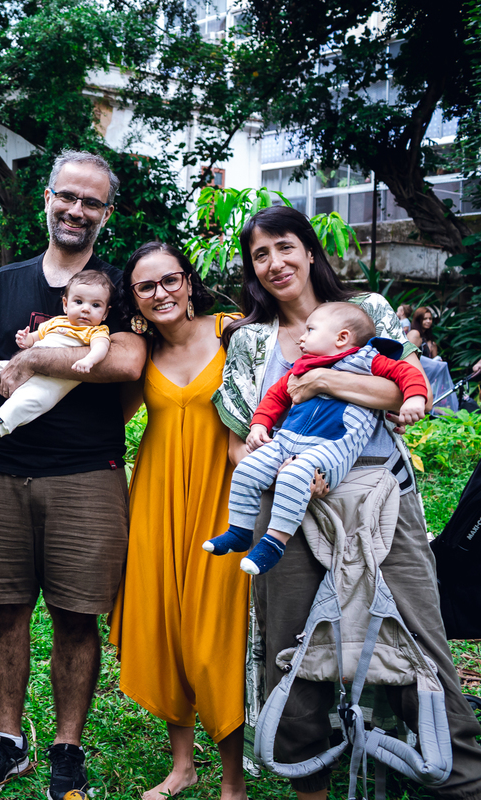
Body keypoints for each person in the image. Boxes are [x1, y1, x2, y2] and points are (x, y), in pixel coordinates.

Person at [213, 205, 481, 800]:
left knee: (419, 637)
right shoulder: (251, 341)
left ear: (310, 251)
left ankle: (458, 778)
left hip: (382, 495)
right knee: (293, 648)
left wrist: (323, 380)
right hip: (289, 505)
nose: (275, 263)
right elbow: (239, 441)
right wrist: (285, 465)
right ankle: (311, 784)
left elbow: (403, 389)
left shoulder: (370, 313)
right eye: (260, 255)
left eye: (285, 246)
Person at [0, 150, 146, 800]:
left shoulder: (116, 286)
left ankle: (67, 746)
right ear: (47, 198)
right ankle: (7, 740)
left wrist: (36, 361)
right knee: (3, 610)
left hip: (87, 473)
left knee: (77, 615)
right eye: (68, 196)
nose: (76, 209)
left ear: (106, 213)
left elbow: (130, 361)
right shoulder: (4, 284)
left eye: (91, 201)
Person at [107, 242, 250, 800]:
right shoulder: (138, 355)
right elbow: (109, 420)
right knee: (165, 625)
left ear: (189, 282)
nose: (161, 293)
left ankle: (233, 781)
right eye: (145, 287)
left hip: (224, 499)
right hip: (158, 500)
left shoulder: (234, 331)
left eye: (170, 280)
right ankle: (182, 766)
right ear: (135, 299)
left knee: (216, 634)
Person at [208, 303, 428, 575]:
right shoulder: (302, 367)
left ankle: (274, 542)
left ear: (341, 338)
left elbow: (407, 373)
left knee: (294, 474)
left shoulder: (367, 360)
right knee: (247, 469)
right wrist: (259, 426)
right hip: (288, 440)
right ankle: (239, 530)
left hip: (333, 448)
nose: (302, 338)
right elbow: (276, 396)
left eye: (310, 330)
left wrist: (414, 398)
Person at [0, 270, 114, 446]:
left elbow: (101, 347)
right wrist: (25, 339)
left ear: (105, 313)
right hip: (23, 370)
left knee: (19, 404)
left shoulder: (96, 331)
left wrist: (89, 360)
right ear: (66, 305)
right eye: (79, 302)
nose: (85, 309)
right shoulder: (56, 322)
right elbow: (34, 338)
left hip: (48, 385)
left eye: (96, 305)